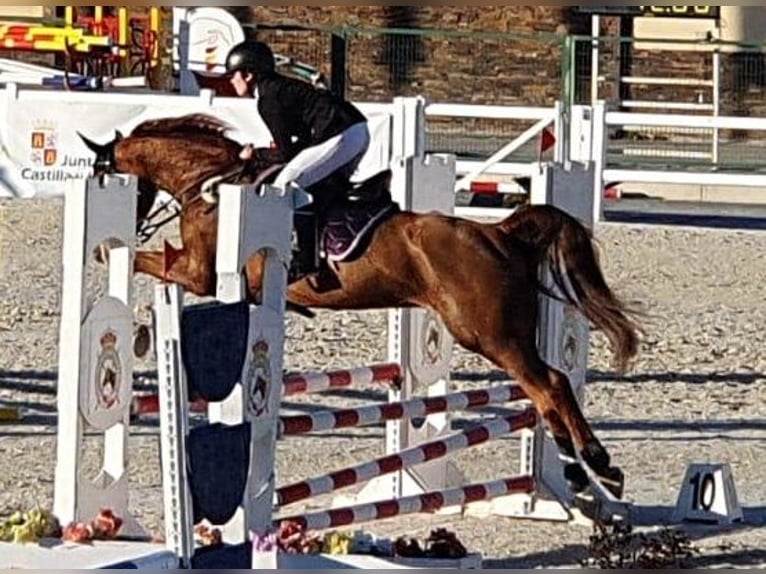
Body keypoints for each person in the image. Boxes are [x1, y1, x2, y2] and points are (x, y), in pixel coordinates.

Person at [210, 40, 371, 210]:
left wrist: (254, 154)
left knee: (284, 185)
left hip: (341, 132)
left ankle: (290, 236)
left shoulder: (268, 100)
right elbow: (303, 139)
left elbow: (284, 154)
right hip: (356, 128)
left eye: (232, 76)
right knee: (325, 186)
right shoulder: (278, 88)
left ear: (248, 75)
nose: (231, 82)